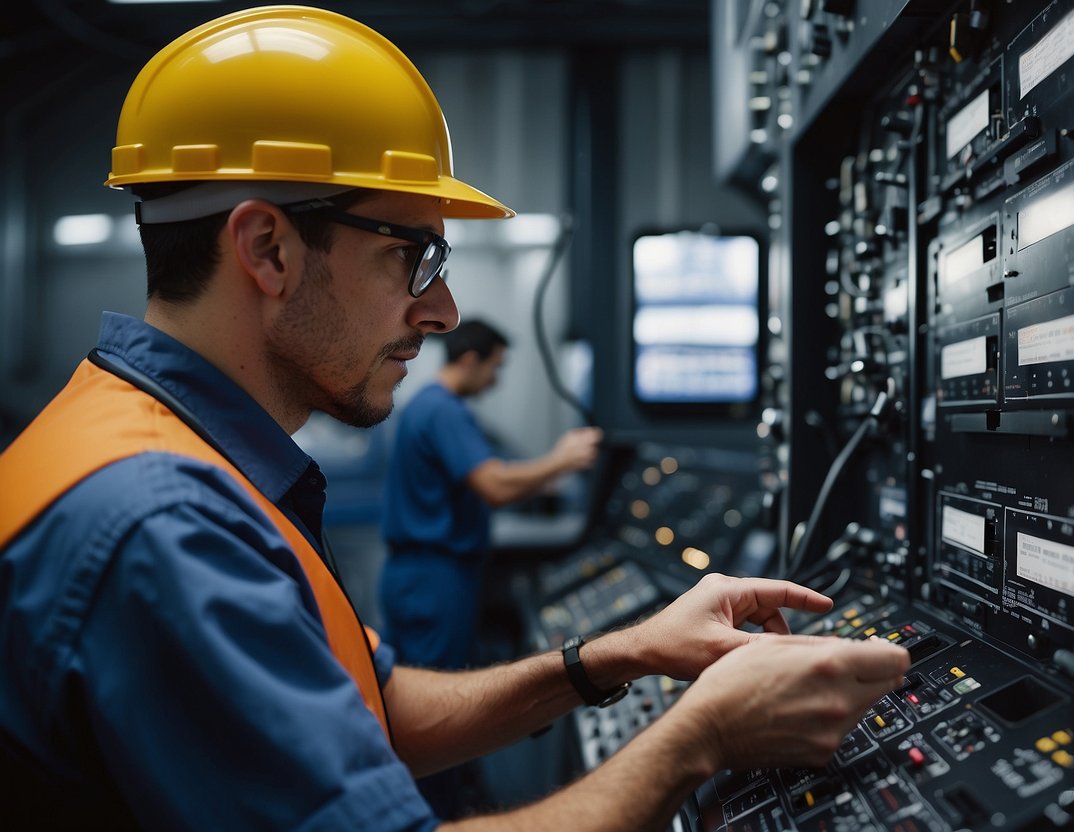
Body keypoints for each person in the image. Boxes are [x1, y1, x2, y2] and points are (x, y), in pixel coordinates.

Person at [0, 6, 910, 831]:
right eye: (416, 258)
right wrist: (700, 737)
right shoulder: (163, 526)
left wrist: (617, 655)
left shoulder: (156, 450)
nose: (440, 313)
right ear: (267, 249)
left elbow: (376, 710)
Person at [380, 318, 602, 673]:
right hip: (434, 577)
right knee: (439, 692)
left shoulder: (426, 405)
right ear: (469, 361)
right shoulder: (444, 410)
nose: (495, 380)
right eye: (494, 367)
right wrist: (562, 460)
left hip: (417, 574)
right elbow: (495, 485)